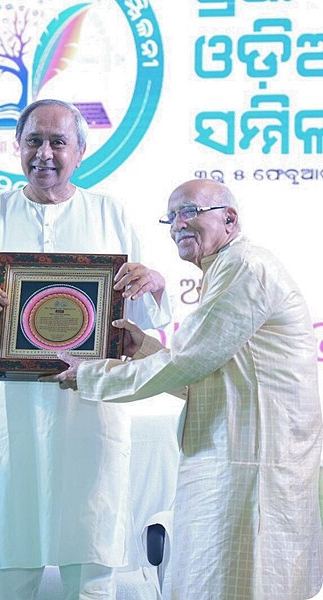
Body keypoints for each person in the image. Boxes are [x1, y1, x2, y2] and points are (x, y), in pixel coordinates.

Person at [0, 99, 171, 599]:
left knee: (90, 562)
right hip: (9, 415)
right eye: (34, 140)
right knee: (9, 559)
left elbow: (138, 321)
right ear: (16, 146)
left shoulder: (108, 213)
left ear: (81, 151)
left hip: (88, 413)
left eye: (58, 142)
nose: (45, 154)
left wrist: (156, 283)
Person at [52, 179, 323, 600]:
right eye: (171, 216)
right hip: (233, 456)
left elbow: (186, 362)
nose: (178, 224)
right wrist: (141, 349)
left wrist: (91, 375)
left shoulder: (244, 266)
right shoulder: (224, 271)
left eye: (189, 211)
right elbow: (206, 376)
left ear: (229, 218)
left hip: (252, 463)